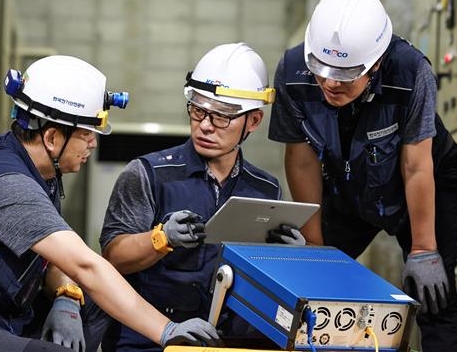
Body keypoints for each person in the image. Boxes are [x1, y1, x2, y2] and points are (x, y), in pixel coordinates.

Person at [0, 55, 220, 351]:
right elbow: (86, 266)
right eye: (87, 135)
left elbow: (51, 255)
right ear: (52, 137)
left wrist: (66, 295)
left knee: (94, 301)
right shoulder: (11, 187)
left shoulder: (26, 163)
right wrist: (167, 331)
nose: (92, 147)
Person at [268, 0, 457, 351]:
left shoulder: (411, 73)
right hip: (349, 183)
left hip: (427, 182)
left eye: (345, 73)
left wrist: (424, 249)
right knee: (314, 284)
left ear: (376, 63)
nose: (330, 82)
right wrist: (314, 246)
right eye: (322, 67)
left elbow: (416, 165)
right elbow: (301, 158)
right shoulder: (292, 70)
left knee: (434, 299)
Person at [98, 43, 306, 352]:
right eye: (198, 111)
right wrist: (160, 240)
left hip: (227, 341)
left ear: (253, 122)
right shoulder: (148, 174)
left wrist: (289, 261)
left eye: (222, 116)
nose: (205, 126)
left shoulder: (265, 189)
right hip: (150, 341)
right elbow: (113, 259)